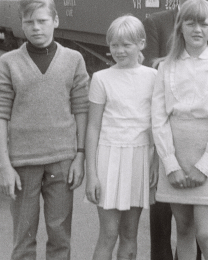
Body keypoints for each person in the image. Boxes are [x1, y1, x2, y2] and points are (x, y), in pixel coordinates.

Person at [143, 0, 208, 260]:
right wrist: (170, 163)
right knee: (183, 229)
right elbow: (158, 116)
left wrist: (205, 164)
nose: (198, 29)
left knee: (206, 233)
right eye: (190, 23)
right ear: (180, 26)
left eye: (204, 24)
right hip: (175, 155)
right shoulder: (166, 66)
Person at [0, 0, 89, 260]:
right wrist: (4, 165)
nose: (36, 27)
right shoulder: (8, 62)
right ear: (21, 25)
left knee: (60, 237)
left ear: (55, 21)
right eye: (29, 22)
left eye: (42, 20)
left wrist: (80, 156)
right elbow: (0, 114)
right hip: (22, 163)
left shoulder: (73, 59)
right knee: (23, 239)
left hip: (62, 160)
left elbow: (81, 110)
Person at [85, 15, 158, 260]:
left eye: (126, 44)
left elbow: (158, 124)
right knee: (108, 233)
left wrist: (156, 160)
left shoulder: (153, 77)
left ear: (141, 43)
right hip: (108, 157)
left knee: (130, 233)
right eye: (114, 45)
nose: (119, 50)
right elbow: (93, 127)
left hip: (139, 157)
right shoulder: (101, 78)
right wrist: (92, 173)